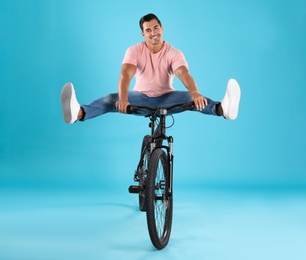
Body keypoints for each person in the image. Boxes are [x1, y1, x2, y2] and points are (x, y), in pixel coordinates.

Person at [60, 13, 241, 124]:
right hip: (140, 98)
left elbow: (183, 74)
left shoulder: (174, 53)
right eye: (148, 30)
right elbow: (125, 76)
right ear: (143, 33)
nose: (153, 33)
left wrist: (194, 92)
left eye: (156, 28)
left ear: (162, 28)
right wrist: (123, 99)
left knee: (196, 99)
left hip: (169, 98)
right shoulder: (134, 51)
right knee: (110, 99)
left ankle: (223, 109)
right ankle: (77, 112)